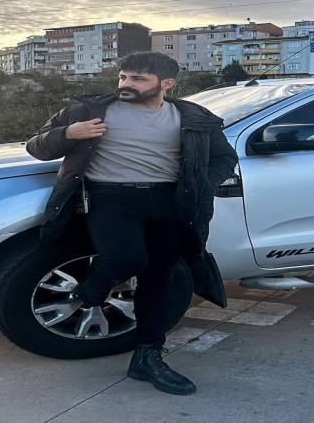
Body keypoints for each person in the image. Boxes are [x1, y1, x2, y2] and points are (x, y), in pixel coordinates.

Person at [25, 51, 238, 395]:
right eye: (123, 77)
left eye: (137, 79)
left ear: (166, 84)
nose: (126, 84)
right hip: (111, 199)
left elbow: (225, 158)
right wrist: (69, 133)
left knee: (159, 279)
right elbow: (37, 147)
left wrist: (203, 182)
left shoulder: (193, 117)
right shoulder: (88, 111)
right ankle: (92, 289)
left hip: (171, 202)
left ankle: (147, 356)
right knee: (126, 259)